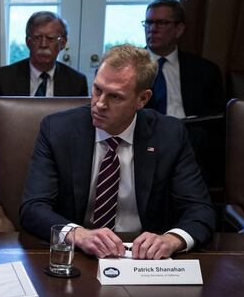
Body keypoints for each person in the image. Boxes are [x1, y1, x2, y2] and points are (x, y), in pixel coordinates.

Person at [20, 44, 215, 259]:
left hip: (143, 258)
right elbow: (33, 207)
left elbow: (200, 210)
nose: (100, 104)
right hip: (78, 255)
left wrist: (170, 240)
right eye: (97, 90)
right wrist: (78, 234)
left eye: (115, 97)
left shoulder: (169, 135)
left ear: (143, 99)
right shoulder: (57, 130)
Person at [142, 0, 225, 117]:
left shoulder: (205, 70)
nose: (153, 29)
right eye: (149, 23)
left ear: (179, 29)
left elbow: (217, 117)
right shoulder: (130, 67)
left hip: (191, 131)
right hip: (147, 133)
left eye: (161, 23)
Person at [0, 11, 87, 99]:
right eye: (37, 38)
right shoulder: (1, 79)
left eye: (50, 38)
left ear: (63, 43)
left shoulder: (77, 82)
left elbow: (80, 120)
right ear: (28, 42)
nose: (43, 45)